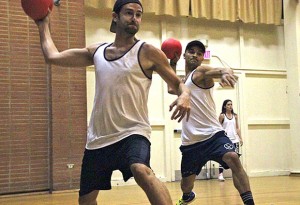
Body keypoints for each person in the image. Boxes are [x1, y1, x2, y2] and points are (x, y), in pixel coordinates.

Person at [35, 0, 191, 204]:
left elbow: (177, 85)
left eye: (138, 14)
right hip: (98, 139)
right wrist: (43, 24)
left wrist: (185, 95)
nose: (134, 18)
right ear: (115, 17)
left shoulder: (147, 51)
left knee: (141, 169)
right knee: (86, 201)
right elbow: (52, 56)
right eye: (129, 13)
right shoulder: (97, 51)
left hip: (133, 132)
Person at [168, 40, 255, 205]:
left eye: (199, 53)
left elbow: (219, 70)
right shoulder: (182, 80)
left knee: (233, 157)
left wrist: (225, 73)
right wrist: (172, 62)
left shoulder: (200, 72)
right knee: (186, 184)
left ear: (202, 58)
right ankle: (187, 196)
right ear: (184, 55)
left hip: (214, 135)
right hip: (191, 142)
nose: (195, 55)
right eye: (191, 51)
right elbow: (171, 88)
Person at [218, 99, 243, 181]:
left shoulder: (235, 116)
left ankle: (235, 174)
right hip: (225, 139)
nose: (230, 106)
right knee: (223, 157)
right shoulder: (222, 116)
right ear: (225, 106)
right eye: (228, 104)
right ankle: (220, 174)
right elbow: (218, 127)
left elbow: (237, 128)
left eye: (231, 104)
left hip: (234, 139)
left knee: (236, 157)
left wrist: (240, 138)